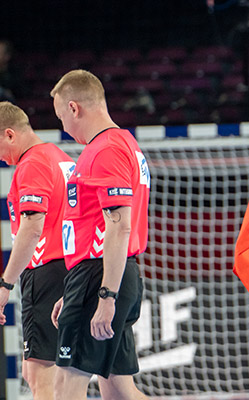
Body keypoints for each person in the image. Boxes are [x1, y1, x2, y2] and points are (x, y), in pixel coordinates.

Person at [48, 70, 151, 400]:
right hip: (99, 275)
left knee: (66, 383)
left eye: (62, 117)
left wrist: (104, 294)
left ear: (75, 108)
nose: (64, 127)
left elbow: (120, 226)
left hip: (101, 277)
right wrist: (77, 288)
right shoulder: (122, 145)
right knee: (120, 391)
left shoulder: (106, 150)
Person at [0, 102, 75, 400]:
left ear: (9, 134)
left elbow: (32, 227)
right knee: (65, 377)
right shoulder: (59, 156)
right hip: (70, 269)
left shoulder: (32, 163)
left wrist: (5, 284)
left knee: (41, 375)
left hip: (46, 272)